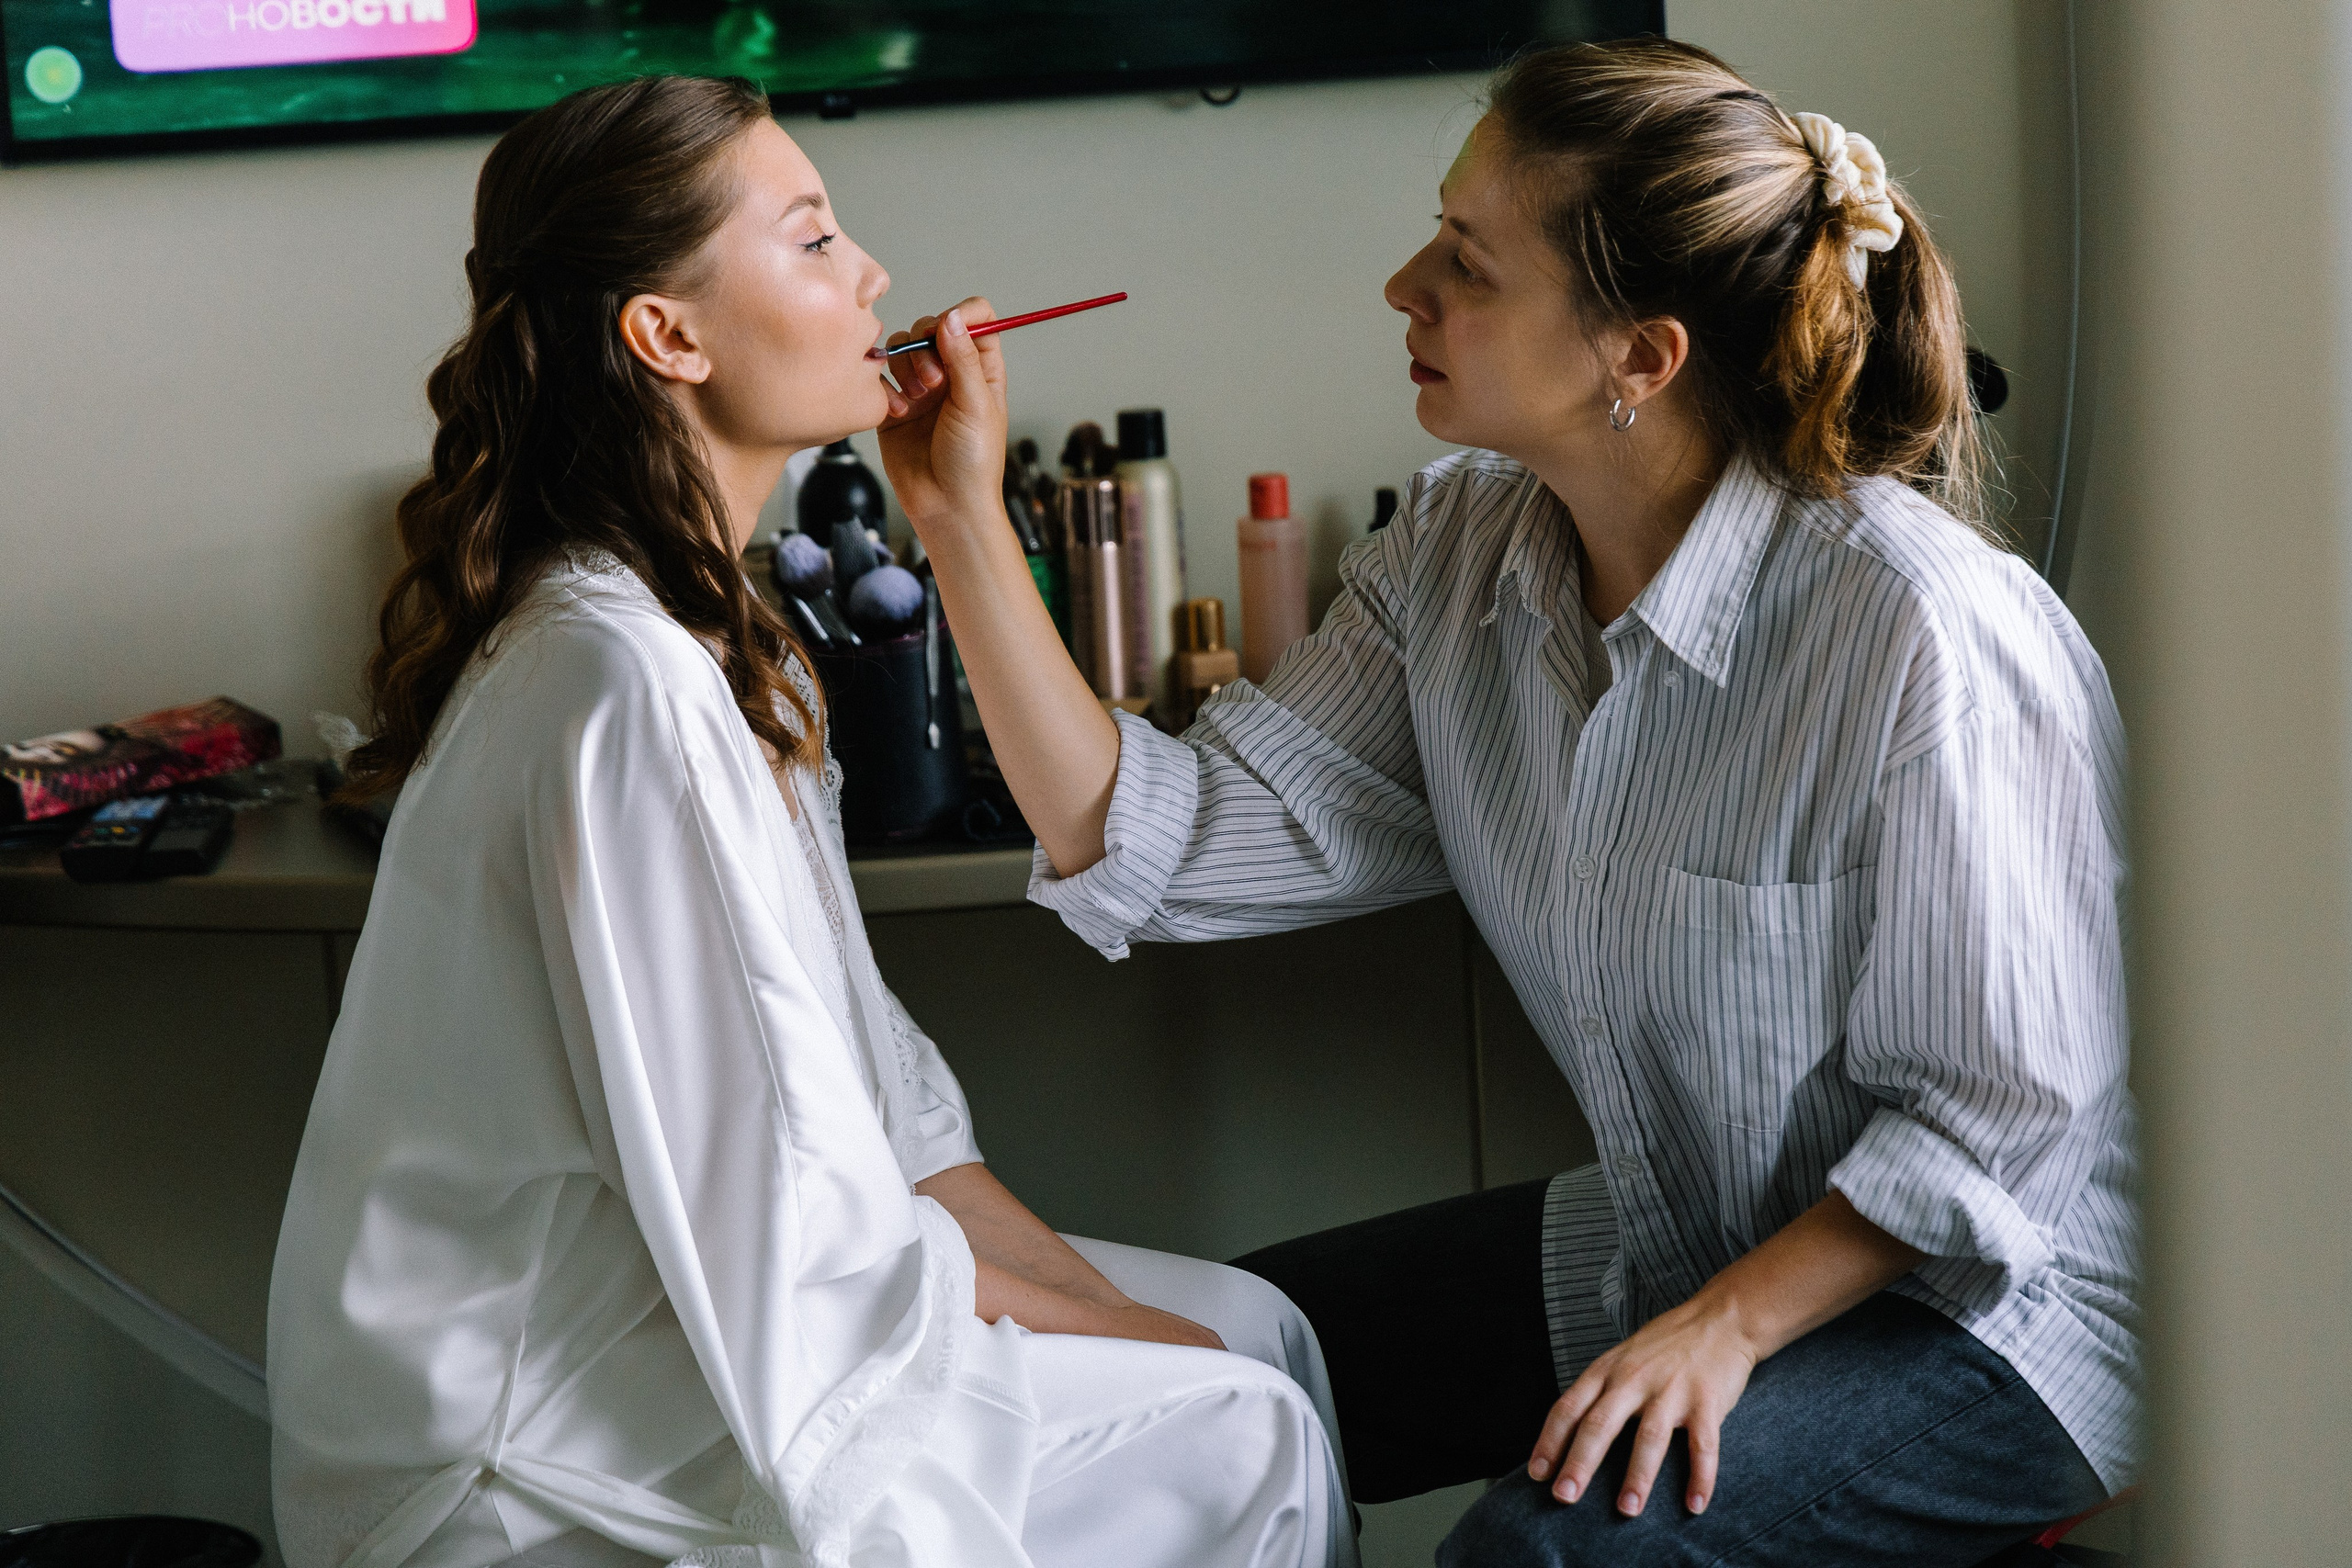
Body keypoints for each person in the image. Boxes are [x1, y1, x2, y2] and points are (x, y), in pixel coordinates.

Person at [882, 37, 2137, 1568]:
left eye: (1465, 264)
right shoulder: (1462, 551)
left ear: (1642, 354)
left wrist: (1722, 1336)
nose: (1404, 287)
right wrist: (954, 512)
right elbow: (1171, 842)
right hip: (1694, 1236)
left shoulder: (1921, 629)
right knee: (1208, 1382)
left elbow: (1996, 1125)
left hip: (1995, 1300)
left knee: (1538, 1556)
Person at [266, 75, 1351, 1568]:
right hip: (528, 1452)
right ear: (669, 335)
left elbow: (879, 1115)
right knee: (1246, 1420)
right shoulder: (620, 681)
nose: (876, 277)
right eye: (816, 239)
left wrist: (1130, 1323)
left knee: (1257, 1329)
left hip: (687, 1301)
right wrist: (1145, 1350)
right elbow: (790, 1217)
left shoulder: (721, 635)